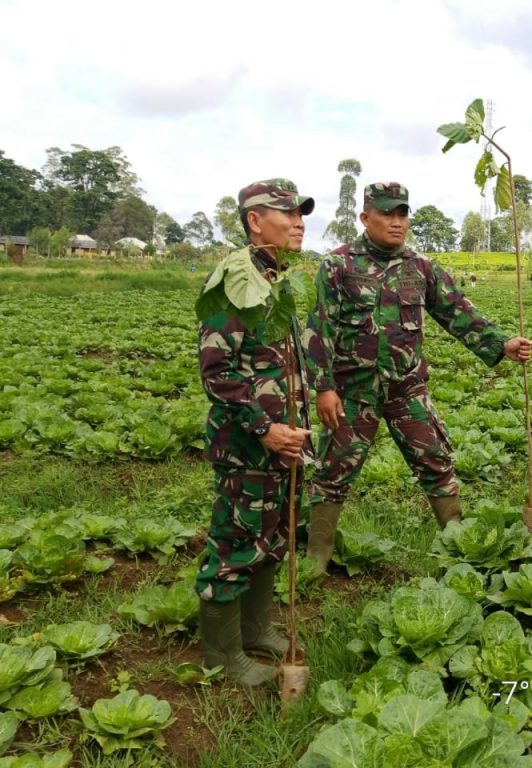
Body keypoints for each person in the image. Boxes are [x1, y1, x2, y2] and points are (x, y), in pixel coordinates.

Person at [303, 182, 532, 575]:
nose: (397, 223)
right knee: (333, 469)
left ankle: (461, 550)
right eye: (387, 214)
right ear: (365, 218)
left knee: (436, 461)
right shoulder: (338, 266)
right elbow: (318, 330)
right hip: (353, 393)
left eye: (402, 215)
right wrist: (323, 389)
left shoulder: (420, 267)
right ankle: (316, 557)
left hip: (407, 390)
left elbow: (457, 311)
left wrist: (501, 343)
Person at [195, 178, 315, 686]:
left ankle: (255, 629)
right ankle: (222, 657)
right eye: (285, 214)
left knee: (273, 537)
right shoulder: (234, 281)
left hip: (282, 443)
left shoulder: (275, 280)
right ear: (253, 221)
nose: (298, 222)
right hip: (248, 444)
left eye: (301, 214)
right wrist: (265, 428)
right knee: (235, 541)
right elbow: (218, 372)